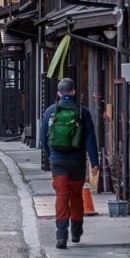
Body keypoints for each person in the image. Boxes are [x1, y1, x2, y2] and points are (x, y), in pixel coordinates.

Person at [41, 77, 99, 249]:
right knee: (75, 194)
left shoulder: (50, 111)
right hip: (77, 161)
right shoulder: (83, 112)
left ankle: (61, 236)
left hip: (57, 160)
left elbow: (43, 139)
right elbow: (90, 139)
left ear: (59, 93)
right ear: (73, 92)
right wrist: (94, 162)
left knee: (61, 195)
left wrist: (51, 154)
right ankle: (76, 231)